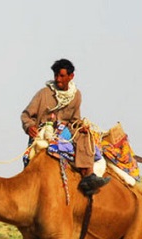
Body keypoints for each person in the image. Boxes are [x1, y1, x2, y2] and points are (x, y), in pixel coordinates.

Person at [21, 58, 109, 196]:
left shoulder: (76, 95)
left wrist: (81, 126)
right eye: (56, 75)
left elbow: (75, 120)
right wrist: (29, 126)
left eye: (61, 76)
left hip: (66, 132)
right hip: (45, 132)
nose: (58, 79)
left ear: (71, 76)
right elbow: (26, 115)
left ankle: (88, 175)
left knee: (84, 137)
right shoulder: (43, 94)